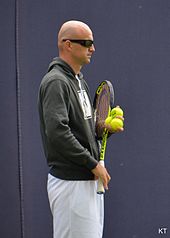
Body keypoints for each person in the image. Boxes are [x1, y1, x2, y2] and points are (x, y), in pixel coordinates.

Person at [38, 20, 123, 238]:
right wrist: (93, 164)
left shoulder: (79, 81)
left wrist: (102, 128)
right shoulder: (56, 82)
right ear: (68, 45)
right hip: (71, 185)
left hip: (88, 183)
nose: (92, 48)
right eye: (86, 43)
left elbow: (82, 128)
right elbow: (58, 133)